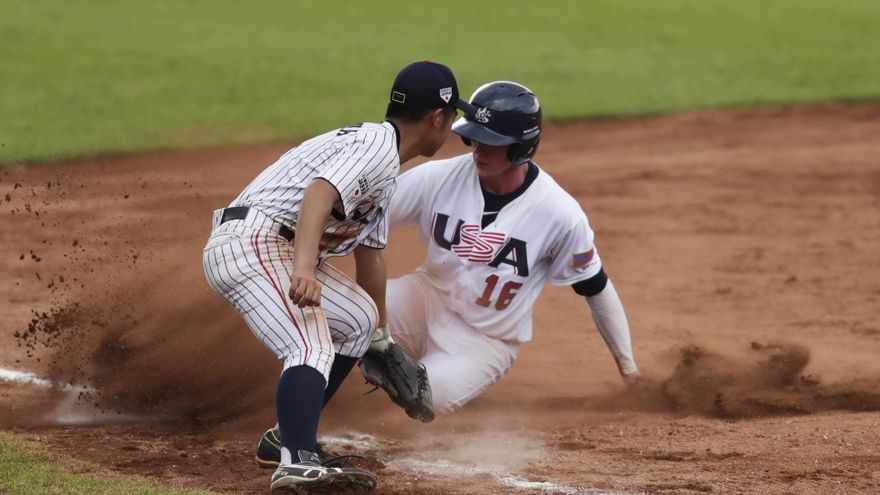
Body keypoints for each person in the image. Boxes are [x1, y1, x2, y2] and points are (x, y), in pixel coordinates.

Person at [254, 80, 640, 466]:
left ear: (522, 147)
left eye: (491, 142)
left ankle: (341, 409)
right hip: (424, 298)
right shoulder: (441, 177)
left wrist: (629, 370)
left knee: (421, 403)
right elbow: (361, 214)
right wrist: (293, 252)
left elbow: (595, 287)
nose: (478, 149)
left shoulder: (559, 214)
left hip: (485, 339)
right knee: (342, 320)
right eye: (474, 138)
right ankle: (290, 432)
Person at [202, 60, 470, 494]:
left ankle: (283, 439)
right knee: (310, 343)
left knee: (359, 320)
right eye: (453, 115)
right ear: (437, 118)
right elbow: (319, 193)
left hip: (270, 244)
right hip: (253, 243)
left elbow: (372, 256)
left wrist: (381, 338)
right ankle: (297, 462)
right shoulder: (377, 150)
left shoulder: (384, 167)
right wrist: (304, 269)